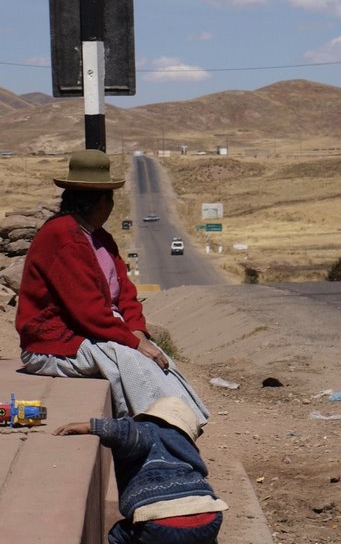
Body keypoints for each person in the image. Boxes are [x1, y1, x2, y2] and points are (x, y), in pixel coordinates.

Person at [16, 149, 208, 422]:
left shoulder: (101, 238)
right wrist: (130, 341)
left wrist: (138, 332)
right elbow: (87, 310)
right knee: (127, 360)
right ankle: (154, 429)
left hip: (93, 334)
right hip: (52, 346)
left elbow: (126, 294)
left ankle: (186, 423)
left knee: (155, 357)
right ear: (102, 202)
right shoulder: (62, 236)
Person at [54, 396, 227, 544]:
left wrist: (87, 426)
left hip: (161, 528)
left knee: (119, 535)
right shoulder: (186, 445)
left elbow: (122, 430)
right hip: (210, 523)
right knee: (198, 516)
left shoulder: (144, 430)